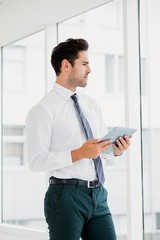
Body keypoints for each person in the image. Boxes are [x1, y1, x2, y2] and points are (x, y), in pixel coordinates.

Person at [26, 38, 131, 240]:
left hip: (98, 194)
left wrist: (116, 150)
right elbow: (35, 161)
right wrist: (79, 153)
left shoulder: (91, 104)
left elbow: (101, 150)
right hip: (65, 195)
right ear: (66, 65)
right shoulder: (43, 109)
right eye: (84, 64)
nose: (90, 69)